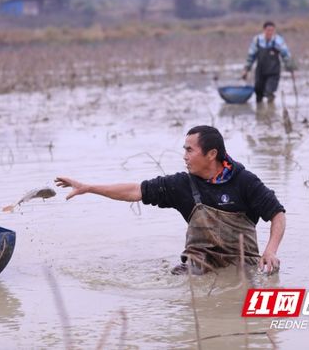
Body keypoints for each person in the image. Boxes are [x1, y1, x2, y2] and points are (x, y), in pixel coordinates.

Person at [55, 126, 285, 275]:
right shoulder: (181, 185)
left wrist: (271, 250)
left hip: (242, 267)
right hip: (198, 268)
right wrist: (89, 187)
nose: (184, 156)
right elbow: (135, 190)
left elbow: (277, 213)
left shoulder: (244, 181)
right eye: (184, 150)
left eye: (189, 150)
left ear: (212, 154)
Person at [241, 21, 293, 103]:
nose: (270, 33)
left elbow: (286, 55)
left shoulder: (278, 41)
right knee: (258, 92)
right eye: (268, 30)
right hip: (260, 71)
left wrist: (290, 68)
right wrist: (246, 70)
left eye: (272, 30)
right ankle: (260, 113)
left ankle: (270, 110)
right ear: (264, 30)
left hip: (273, 72)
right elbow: (251, 56)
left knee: (269, 91)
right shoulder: (257, 40)